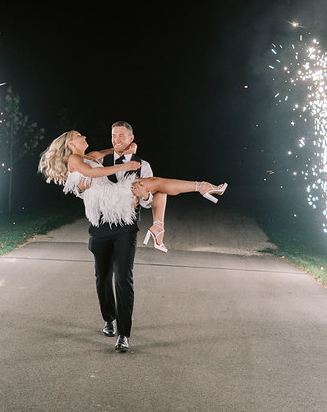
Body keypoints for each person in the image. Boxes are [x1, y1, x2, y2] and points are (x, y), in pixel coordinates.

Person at [38, 125, 227, 352]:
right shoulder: (76, 161)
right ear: (70, 144)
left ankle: (123, 334)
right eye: (80, 136)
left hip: (124, 220)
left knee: (155, 187)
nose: (85, 136)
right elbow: (90, 175)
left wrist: (141, 189)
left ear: (129, 138)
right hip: (103, 218)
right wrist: (124, 166)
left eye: (121, 136)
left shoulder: (113, 159)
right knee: (102, 279)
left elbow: (108, 158)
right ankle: (109, 318)